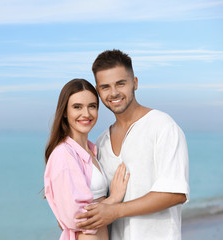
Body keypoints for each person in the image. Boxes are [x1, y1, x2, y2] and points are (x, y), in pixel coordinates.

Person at [75, 49, 190, 240]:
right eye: (105, 87)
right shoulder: (101, 142)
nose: (114, 93)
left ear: (134, 83)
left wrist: (115, 211)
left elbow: (175, 193)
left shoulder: (162, 126)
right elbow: (98, 200)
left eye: (121, 83)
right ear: (98, 91)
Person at [44, 78, 130, 240]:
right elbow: (75, 218)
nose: (86, 114)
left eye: (92, 106)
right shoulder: (63, 154)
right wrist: (114, 199)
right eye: (77, 107)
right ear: (64, 112)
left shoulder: (92, 151)